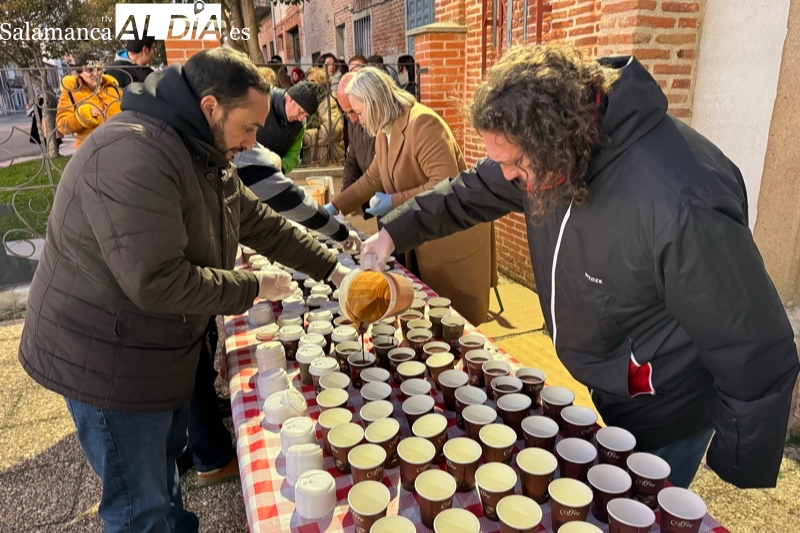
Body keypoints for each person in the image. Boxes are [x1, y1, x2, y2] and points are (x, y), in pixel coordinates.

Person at [359, 44, 800, 490]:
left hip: (665, 404)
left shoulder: (681, 202)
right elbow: (468, 191)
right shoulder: (551, 151)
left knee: (639, 503)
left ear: (552, 139)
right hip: (610, 379)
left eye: (513, 163)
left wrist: (736, 463)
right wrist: (392, 233)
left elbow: (753, 346)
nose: (506, 174)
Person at [19, 47, 351, 531]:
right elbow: (157, 280)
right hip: (107, 360)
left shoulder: (200, 147)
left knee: (165, 474)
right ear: (211, 107)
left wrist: (334, 270)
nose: (254, 141)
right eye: (249, 128)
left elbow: (260, 222)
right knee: (139, 507)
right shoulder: (134, 153)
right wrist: (254, 285)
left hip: (152, 346)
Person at [325, 67, 494, 326]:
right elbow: (372, 178)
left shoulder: (423, 123)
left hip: (450, 241)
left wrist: (393, 201)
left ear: (375, 103)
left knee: (456, 323)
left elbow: (444, 184)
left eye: (359, 112)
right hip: (423, 239)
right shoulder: (384, 131)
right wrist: (335, 207)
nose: (356, 120)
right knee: (431, 320)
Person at [256, 80, 323, 174]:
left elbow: (293, 155)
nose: (301, 118)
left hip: (272, 174)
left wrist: (281, 168)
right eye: (301, 112)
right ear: (290, 99)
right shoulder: (262, 101)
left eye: (305, 115)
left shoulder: (300, 124)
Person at [56, 53, 122, 148]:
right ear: (80, 72)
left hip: (118, 145)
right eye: (90, 70)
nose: (95, 74)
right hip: (90, 149)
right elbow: (61, 125)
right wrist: (83, 116)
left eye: (98, 69)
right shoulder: (72, 92)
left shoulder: (113, 88)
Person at [336, 72, 376, 218]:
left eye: (354, 111)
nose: (352, 119)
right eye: (347, 113)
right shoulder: (354, 122)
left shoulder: (382, 125)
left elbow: (378, 175)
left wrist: (353, 201)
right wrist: (343, 199)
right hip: (376, 201)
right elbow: (352, 161)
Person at [303, 66, 345, 165]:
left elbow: (331, 131)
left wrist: (305, 137)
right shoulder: (307, 104)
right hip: (311, 159)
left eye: (313, 81)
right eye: (307, 81)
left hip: (329, 159)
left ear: (322, 83)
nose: (308, 84)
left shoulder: (329, 102)